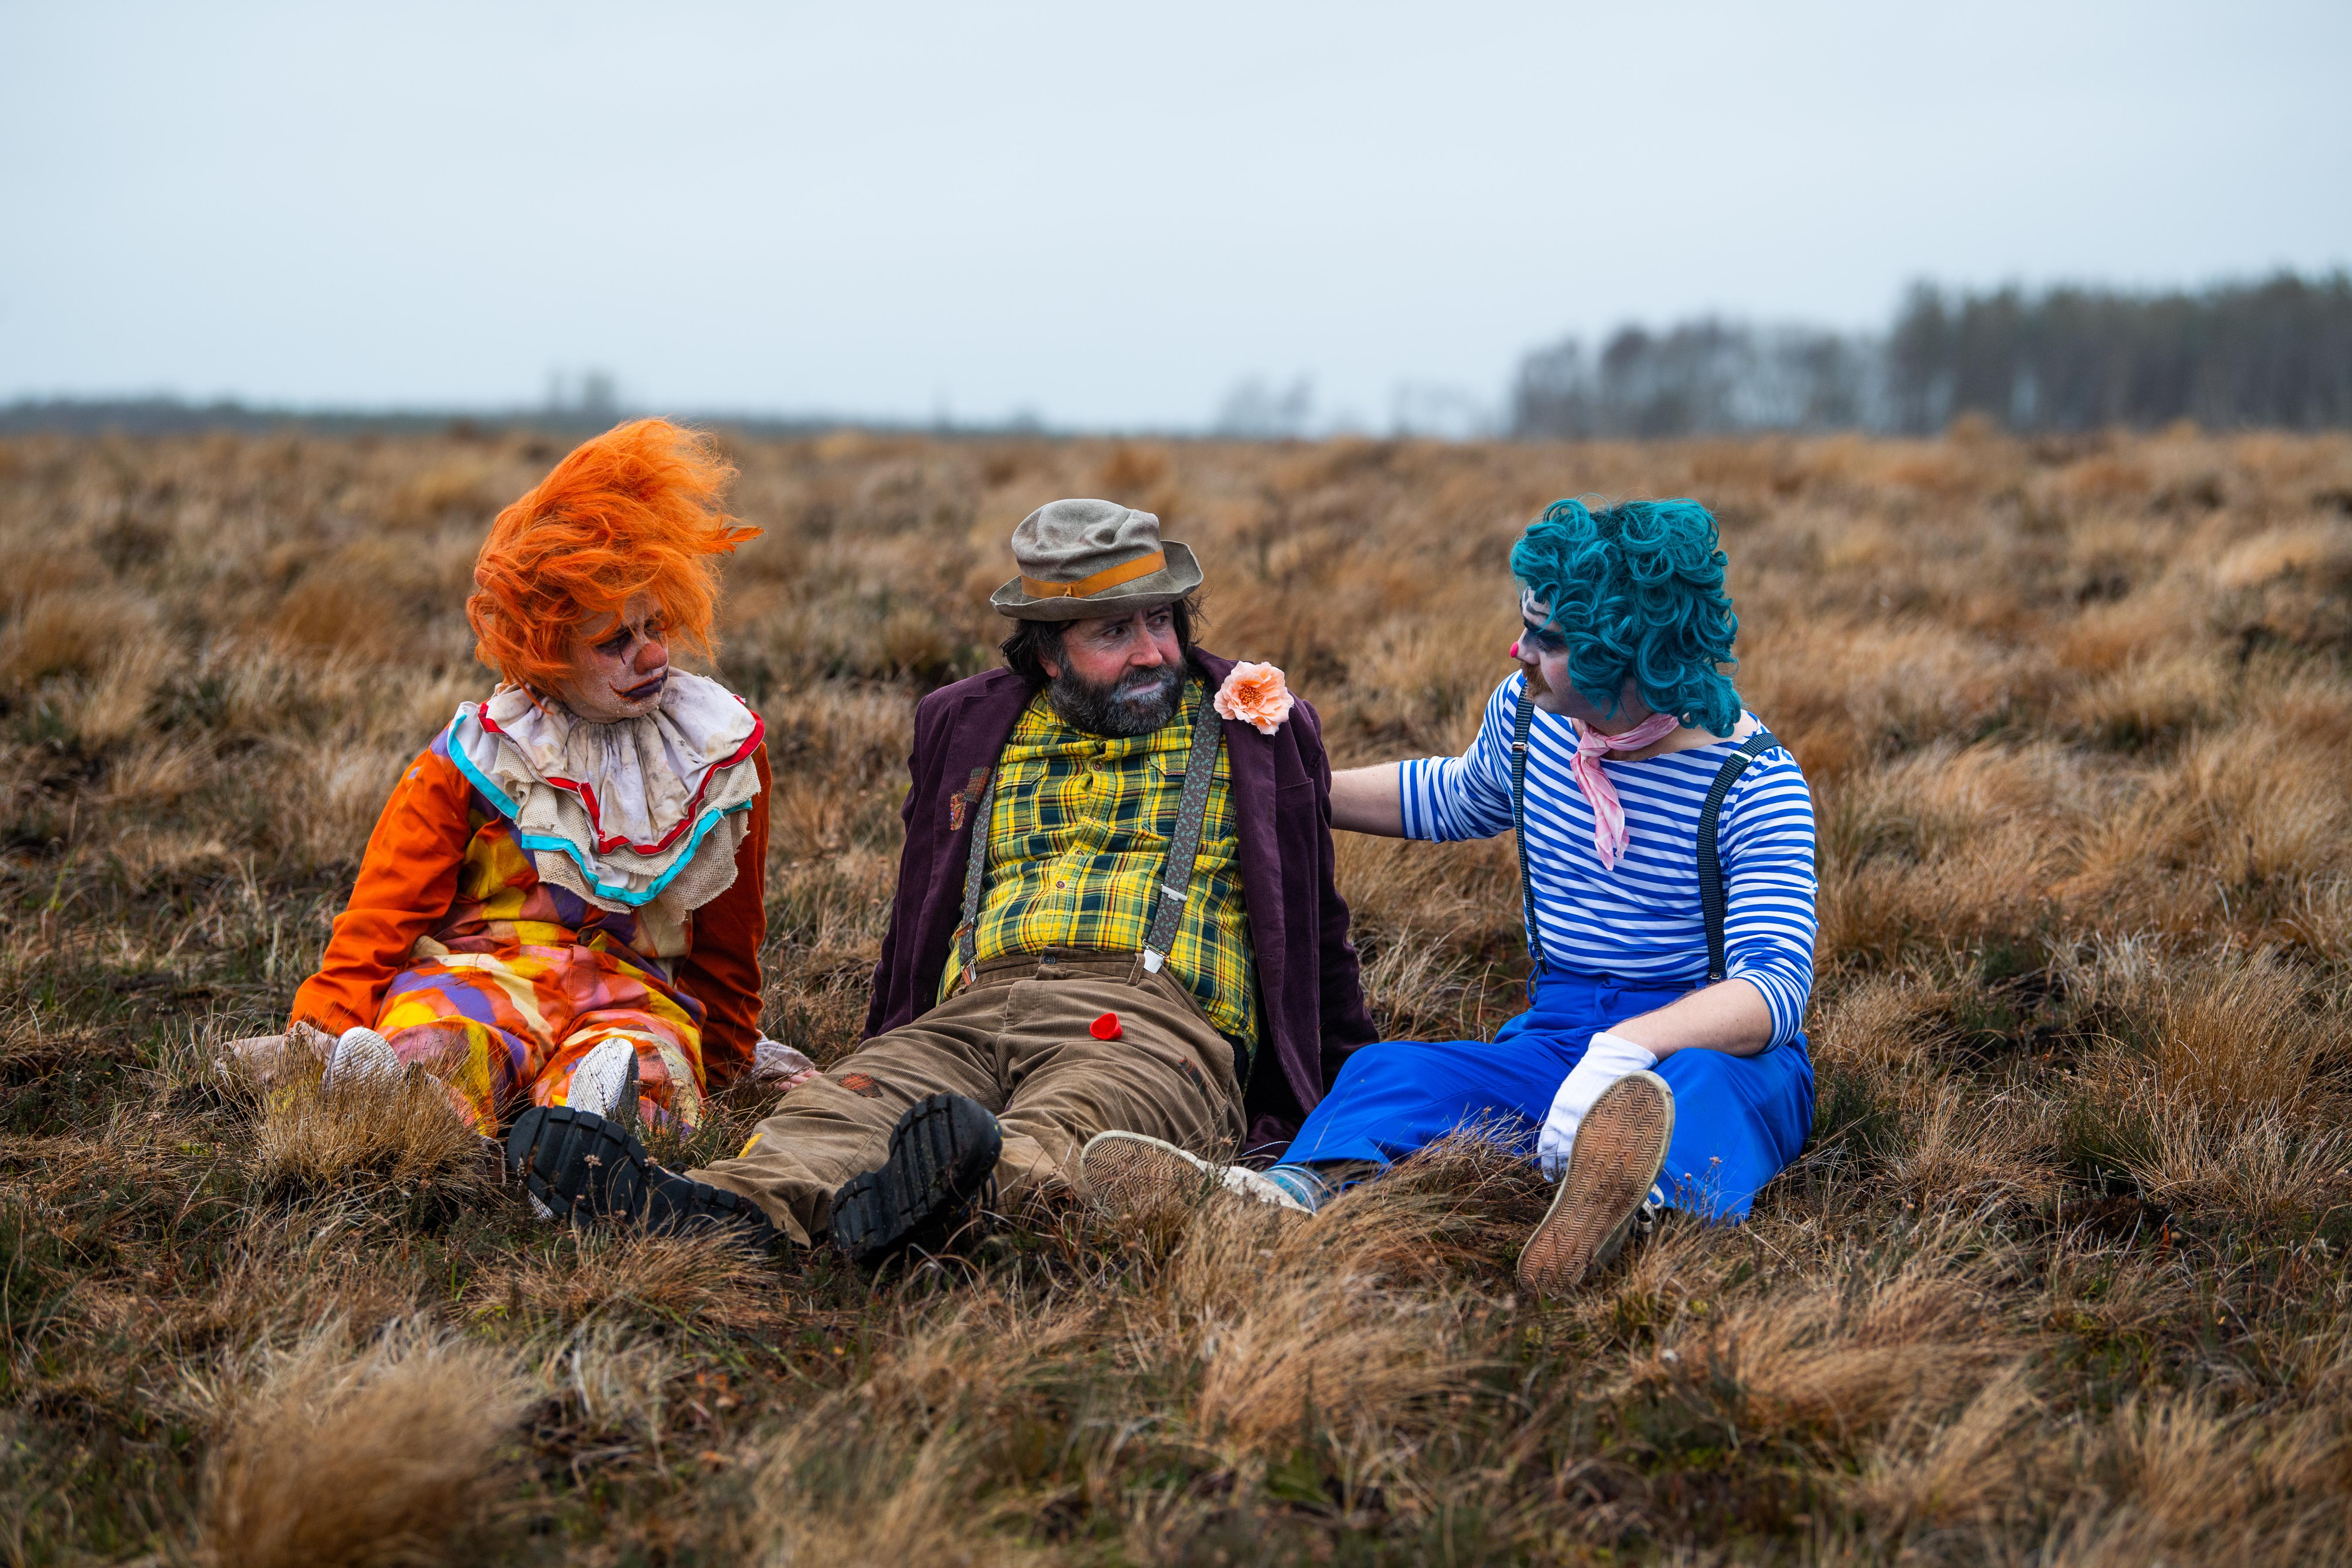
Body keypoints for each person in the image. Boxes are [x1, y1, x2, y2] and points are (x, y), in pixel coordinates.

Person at [507, 498, 1377, 1260]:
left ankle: (958, 1209)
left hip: (1151, 1020)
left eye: (1163, 621)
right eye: (1117, 632)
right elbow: (918, 903)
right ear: (1048, 653)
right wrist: (898, 1027)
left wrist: (1352, 1090)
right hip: (971, 1009)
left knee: (1076, 1124)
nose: (1156, 653)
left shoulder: (1250, 724)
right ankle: (710, 1212)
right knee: (846, 1108)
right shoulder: (968, 725)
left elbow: (1314, 919)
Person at [1084, 497, 1818, 1295]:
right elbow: (1451, 797)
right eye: (1526, 626)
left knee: (1710, 1099)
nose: (1521, 650)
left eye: (1551, 639)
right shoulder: (1531, 719)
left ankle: (1635, 1209)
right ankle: (1284, 1197)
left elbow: (1772, 992)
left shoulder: (1754, 781)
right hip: (1554, 1039)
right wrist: (1290, 792)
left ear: (1632, 653)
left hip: (1707, 1043)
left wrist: (1631, 1051)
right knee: (1389, 1073)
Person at [254, 418, 795, 1234]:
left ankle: (592, 1143)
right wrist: (324, 1030)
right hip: (484, 970)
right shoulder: (477, 756)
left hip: (633, 987)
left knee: (645, 1064)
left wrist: (721, 1055)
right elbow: (382, 912)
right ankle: (395, 1107)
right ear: (544, 650)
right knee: (441, 1039)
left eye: (657, 626)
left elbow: (731, 932)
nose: (649, 656)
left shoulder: (714, 752)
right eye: (613, 641)